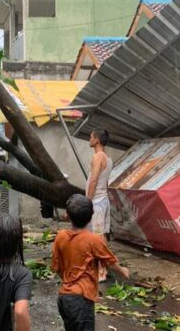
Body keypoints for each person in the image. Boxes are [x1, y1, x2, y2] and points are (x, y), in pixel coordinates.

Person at [51, 194, 129, 331]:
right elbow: (109, 260)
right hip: (82, 298)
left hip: (64, 298)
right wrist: (122, 270)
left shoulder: (60, 236)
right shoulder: (93, 240)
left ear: (68, 215)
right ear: (92, 215)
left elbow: (56, 267)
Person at [86, 129, 113, 281]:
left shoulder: (98, 156)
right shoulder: (108, 158)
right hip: (103, 200)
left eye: (91, 137)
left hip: (97, 201)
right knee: (101, 235)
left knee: (98, 236)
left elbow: (94, 180)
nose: (89, 139)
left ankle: (101, 271)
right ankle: (102, 268)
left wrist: (88, 200)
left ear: (96, 140)